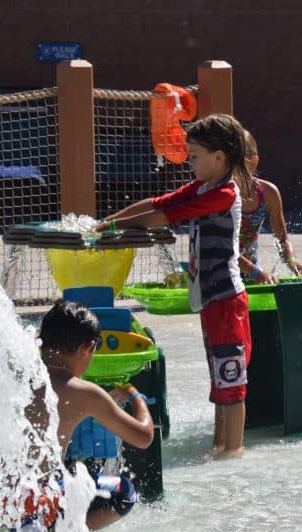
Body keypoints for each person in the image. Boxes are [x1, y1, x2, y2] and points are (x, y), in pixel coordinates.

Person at [95, 113, 251, 457]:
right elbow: (159, 203)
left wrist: (112, 231)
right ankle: (219, 444)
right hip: (210, 300)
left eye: (194, 156)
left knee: (231, 380)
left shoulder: (223, 194)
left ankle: (233, 452)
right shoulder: (204, 187)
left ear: (219, 157)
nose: (190, 162)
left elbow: (166, 216)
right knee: (219, 379)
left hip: (227, 301)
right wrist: (108, 220)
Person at [28, 299, 155, 531]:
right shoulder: (84, 393)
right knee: (123, 491)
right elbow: (144, 435)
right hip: (38, 505)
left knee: (70, 471)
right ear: (86, 348)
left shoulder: (16, 377)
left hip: (1, 503)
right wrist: (135, 396)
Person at [237, 130, 302, 284]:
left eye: (235, 165)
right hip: (221, 271)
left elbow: (282, 239)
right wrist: (255, 271)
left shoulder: (268, 193)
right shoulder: (222, 196)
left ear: (253, 162)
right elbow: (224, 248)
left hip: (251, 270)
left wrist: (292, 261)